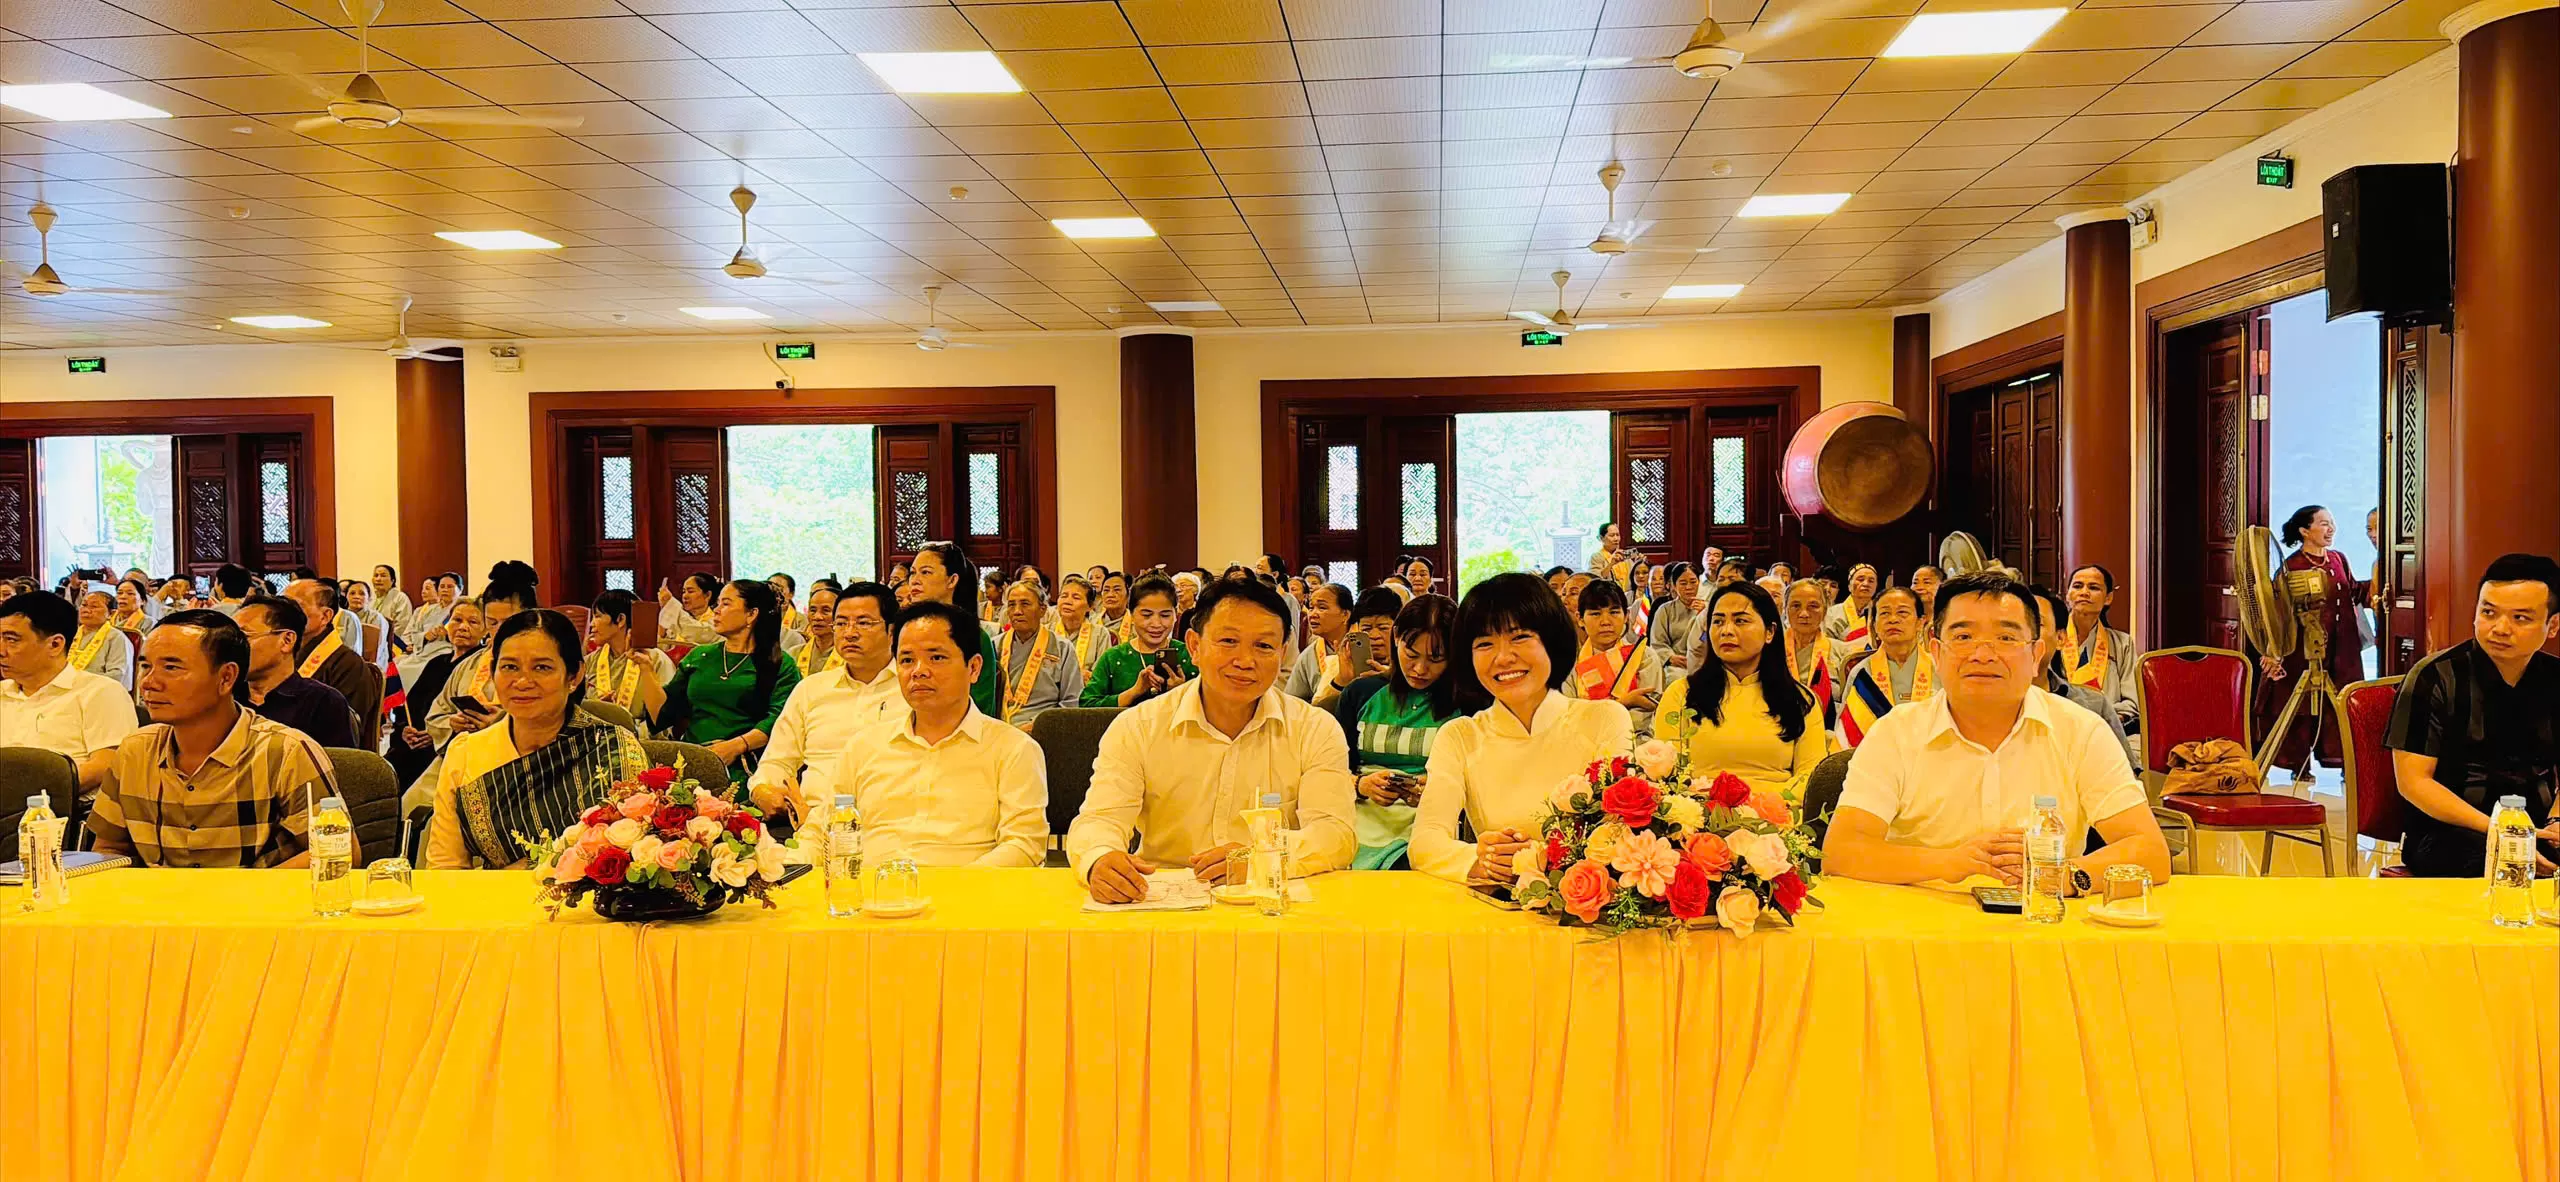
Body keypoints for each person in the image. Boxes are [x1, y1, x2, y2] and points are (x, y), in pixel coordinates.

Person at [1823, 573, 2170, 891]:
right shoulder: (1895, 733)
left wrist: (2061, 876)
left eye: (2005, 638)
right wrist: (1951, 862)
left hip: (2042, 923)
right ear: (1936, 653)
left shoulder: (2081, 730)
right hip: (1922, 925)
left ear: (2036, 655)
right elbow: (1842, 851)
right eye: (1963, 637)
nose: (1983, 654)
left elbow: (2150, 852)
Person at [1069, 579, 1355, 901]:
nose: (1245, 661)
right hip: (1164, 901)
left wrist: (1260, 858)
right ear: (1194, 646)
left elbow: (1335, 834)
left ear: (1282, 653)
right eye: (1228, 641)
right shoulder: (1138, 727)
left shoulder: (1314, 729)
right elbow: (1100, 819)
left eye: (1263, 646)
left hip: (1271, 902)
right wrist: (1100, 859)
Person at [1411, 572, 1632, 887]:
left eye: (1520, 637)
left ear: (1551, 641)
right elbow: (1425, 841)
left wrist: (1536, 858)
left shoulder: (1604, 719)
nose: (1503, 658)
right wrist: (1481, 860)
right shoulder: (1460, 736)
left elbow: (1621, 833)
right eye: (1485, 643)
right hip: (1497, 906)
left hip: (1589, 903)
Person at [86, 610, 344, 869]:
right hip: (159, 894)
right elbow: (109, 848)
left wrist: (243, 891)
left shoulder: (285, 751)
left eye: (171, 668)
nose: (149, 682)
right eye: (145, 666)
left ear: (226, 677)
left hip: (256, 893)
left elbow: (335, 849)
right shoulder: (135, 750)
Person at [425, 609, 647, 870]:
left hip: (588, 896)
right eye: (509, 667)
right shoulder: (466, 752)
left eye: (542, 667)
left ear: (574, 676)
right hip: (491, 895)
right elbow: (445, 866)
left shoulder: (613, 749)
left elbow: (631, 863)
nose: (522, 681)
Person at [834, 600, 1048, 867]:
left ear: (973, 668)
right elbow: (825, 830)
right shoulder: (863, 747)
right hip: (870, 886)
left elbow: (1024, 845)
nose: (918, 672)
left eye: (936, 658)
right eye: (907, 660)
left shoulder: (1013, 749)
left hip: (970, 887)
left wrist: (954, 886)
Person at [2387, 554, 2560, 877]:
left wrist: (2556, 821)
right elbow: (2414, 782)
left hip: (2535, 828)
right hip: (2450, 834)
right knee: (2500, 862)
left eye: (2520, 618)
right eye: (2488, 612)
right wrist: (2502, 831)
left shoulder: (2554, 678)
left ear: (2552, 626)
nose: (2500, 629)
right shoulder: (2434, 677)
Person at [749, 581, 902, 825]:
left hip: (894, 823)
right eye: (840, 623)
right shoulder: (812, 689)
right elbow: (777, 761)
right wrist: (762, 791)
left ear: (892, 630)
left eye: (863, 623)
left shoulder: (913, 689)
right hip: (813, 823)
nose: (849, 633)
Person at [1655, 582, 1827, 797]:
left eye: (1740, 621)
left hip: (1779, 811)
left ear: (1770, 632)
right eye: (1718, 621)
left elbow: (1810, 778)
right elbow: (1667, 776)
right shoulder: (1682, 693)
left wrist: (1760, 804)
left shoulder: (1801, 700)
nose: (1726, 631)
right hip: (1699, 809)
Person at [1333, 594, 1459, 870]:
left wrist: (1440, 790)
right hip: (1358, 824)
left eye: (1436, 659)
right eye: (1411, 654)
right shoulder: (1361, 692)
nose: (1420, 669)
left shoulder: (1468, 704)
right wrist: (1360, 785)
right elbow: (1329, 771)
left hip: (1434, 828)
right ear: (1396, 638)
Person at [658, 579, 803, 783]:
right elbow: (665, 711)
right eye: (717, 603)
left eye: (725, 604)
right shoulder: (700, 656)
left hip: (748, 765)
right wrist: (645, 668)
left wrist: (736, 746)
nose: (716, 610)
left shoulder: (779, 664)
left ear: (751, 614)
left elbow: (780, 718)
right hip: (693, 759)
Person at [2258, 505, 2366, 777]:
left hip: (2343, 649)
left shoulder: (2338, 559)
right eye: (2323, 524)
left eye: (2332, 523)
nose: (2331, 529)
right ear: (2305, 531)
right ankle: (2300, 766)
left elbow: (2353, 591)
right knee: (2302, 707)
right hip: (2304, 649)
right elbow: (2278, 615)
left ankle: (2348, 765)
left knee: (2343, 701)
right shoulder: (2291, 567)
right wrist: (2273, 652)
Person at [0, 590, 138, 797]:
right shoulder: (3, 692)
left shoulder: (99, 692)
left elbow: (108, 763)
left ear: (55, 644)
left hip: (66, 809)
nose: (1, 650)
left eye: (11, 640)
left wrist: (32, 797)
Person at [2025, 584, 2136, 768]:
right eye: (2009, 626)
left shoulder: (2092, 706)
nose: (2021, 633)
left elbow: (2124, 776)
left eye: (2036, 623)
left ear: (2060, 638)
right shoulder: (1979, 704)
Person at [233, 596, 355, 750]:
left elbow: (335, 763)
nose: (232, 647)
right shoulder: (225, 696)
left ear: (287, 640)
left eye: (244, 637)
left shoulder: (322, 702)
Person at [388, 597, 481, 790]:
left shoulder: (480, 667)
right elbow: (410, 704)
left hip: (442, 749)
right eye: (457, 620)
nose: (463, 627)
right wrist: (405, 730)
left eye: (472, 622)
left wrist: (435, 734)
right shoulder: (437, 662)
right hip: (412, 743)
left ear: (486, 629)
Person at [904, 541, 1003, 715]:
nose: (915, 580)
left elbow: (982, 708)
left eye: (925, 572)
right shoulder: (904, 633)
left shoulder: (976, 637)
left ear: (952, 580)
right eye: (912, 573)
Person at [285, 579, 383, 751]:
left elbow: (345, 732)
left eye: (295, 606)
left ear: (325, 616)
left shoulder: (349, 666)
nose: (281, 613)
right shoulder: (282, 653)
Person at [1835, 587, 1934, 749]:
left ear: (1920, 622)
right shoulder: (1861, 673)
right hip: (1875, 758)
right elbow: (1846, 737)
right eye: (1885, 613)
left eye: (1902, 612)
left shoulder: (1940, 668)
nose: (1893, 619)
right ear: (1874, 625)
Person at [1082, 575, 1195, 708]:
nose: (1156, 624)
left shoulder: (1190, 655)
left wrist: (1182, 691)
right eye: (1146, 615)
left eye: (1165, 615)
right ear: (1131, 614)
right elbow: (1087, 705)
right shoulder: (1112, 658)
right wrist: (1134, 692)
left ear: (1175, 614)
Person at [1570, 578, 1662, 730]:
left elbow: (1641, 718)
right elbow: (1570, 715)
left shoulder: (1644, 656)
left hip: (1634, 737)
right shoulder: (1570, 662)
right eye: (1595, 614)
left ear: (1626, 616)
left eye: (1614, 612)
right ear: (1580, 619)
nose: (1605, 621)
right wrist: (1624, 702)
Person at [992, 579, 1084, 729]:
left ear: (1042, 610)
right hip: (998, 726)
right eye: (1011, 605)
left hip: (1044, 727)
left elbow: (1071, 701)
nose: (1017, 611)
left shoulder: (1062, 647)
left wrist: (1039, 725)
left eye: (1025, 604)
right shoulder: (995, 646)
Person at [2059, 564, 2138, 733]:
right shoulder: (2052, 638)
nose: (2084, 592)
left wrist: (2103, 717)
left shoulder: (2122, 643)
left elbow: (2132, 702)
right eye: (2077, 586)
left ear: (2108, 598)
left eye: (2093, 587)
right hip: (2059, 725)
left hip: (2107, 728)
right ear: (2067, 595)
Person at [584, 590, 675, 729]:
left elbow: (666, 719)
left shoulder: (655, 659)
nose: (591, 624)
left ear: (621, 620)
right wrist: (601, 710)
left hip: (643, 737)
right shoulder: (589, 661)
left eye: (598, 616)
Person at [1311, 587, 1400, 711]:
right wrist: (1341, 682)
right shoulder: (1341, 663)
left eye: (1383, 628)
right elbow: (1317, 712)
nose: (1374, 636)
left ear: (1397, 630)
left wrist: (1392, 678)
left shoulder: (1406, 665)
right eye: (1366, 628)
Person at [1778, 579, 1848, 734]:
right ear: (1785, 610)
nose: (1804, 614)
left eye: (1813, 606)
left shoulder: (1843, 652)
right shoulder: (1769, 651)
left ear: (1825, 610)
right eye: (1796, 606)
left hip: (1827, 733)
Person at [1280, 582, 1354, 700]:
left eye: (1322, 607)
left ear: (1345, 614)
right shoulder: (1309, 655)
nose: (1312, 614)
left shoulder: (1364, 645)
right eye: (1311, 608)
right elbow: (1292, 701)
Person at [66, 587, 134, 691]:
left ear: (111, 613)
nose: (86, 610)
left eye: (94, 606)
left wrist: (83, 684)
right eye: (84, 605)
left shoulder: (116, 638)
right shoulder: (70, 633)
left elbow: (117, 675)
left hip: (97, 691)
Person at [1648, 562, 1701, 678]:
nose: (1688, 587)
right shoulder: (1665, 610)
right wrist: (1670, 657)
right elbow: (1657, 642)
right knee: (1675, 677)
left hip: (1702, 662)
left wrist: (1704, 617)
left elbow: (1707, 639)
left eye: (1693, 582)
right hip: (1675, 664)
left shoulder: (1709, 609)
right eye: (1683, 583)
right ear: (1674, 586)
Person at [1052, 574, 1109, 678]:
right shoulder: (1046, 630)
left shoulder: (1101, 634)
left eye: (1076, 597)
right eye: (1063, 596)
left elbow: (1102, 675)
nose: (1067, 602)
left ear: (1090, 606)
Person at [656, 572, 723, 649]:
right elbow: (665, 649)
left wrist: (670, 604)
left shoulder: (716, 621)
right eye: (684, 591)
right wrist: (663, 634)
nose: (685, 596)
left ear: (707, 595)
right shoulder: (679, 620)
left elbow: (695, 632)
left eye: (690, 591)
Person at [1824, 563, 1880, 649]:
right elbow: (1826, 642)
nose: (1866, 584)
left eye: (1871, 581)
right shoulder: (1831, 613)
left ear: (1876, 586)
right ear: (1849, 585)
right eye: (1860, 579)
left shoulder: (1880, 612)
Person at [792, 584, 840, 677]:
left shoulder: (850, 656)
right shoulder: (794, 653)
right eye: (813, 610)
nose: (817, 617)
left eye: (826, 610)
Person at [370, 564, 413, 649]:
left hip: (395, 643)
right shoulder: (371, 599)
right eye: (376, 575)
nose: (378, 579)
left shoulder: (400, 597)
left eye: (383, 576)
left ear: (392, 580)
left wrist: (384, 640)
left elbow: (401, 626)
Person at [1096, 570, 1131, 644]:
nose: (1110, 595)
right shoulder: (1092, 622)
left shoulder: (1136, 623)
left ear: (1128, 595)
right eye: (1106, 590)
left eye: (1117, 590)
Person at [1908, 565, 1943, 633]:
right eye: (1915, 583)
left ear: (1941, 585)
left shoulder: (1947, 617)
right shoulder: (1907, 618)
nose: (1920, 587)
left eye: (1927, 582)